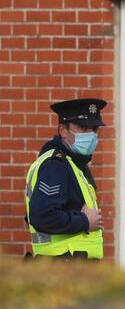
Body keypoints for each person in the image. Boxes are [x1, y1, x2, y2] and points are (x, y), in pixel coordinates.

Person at [24, 98, 106, 260]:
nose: (90, 134)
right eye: (82, 127)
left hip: (68, 264)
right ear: (63, 130)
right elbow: (42, 216)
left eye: (94, 128)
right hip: (62, 265)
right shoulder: (57, 165)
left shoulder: (73, 163)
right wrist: (84, 221)